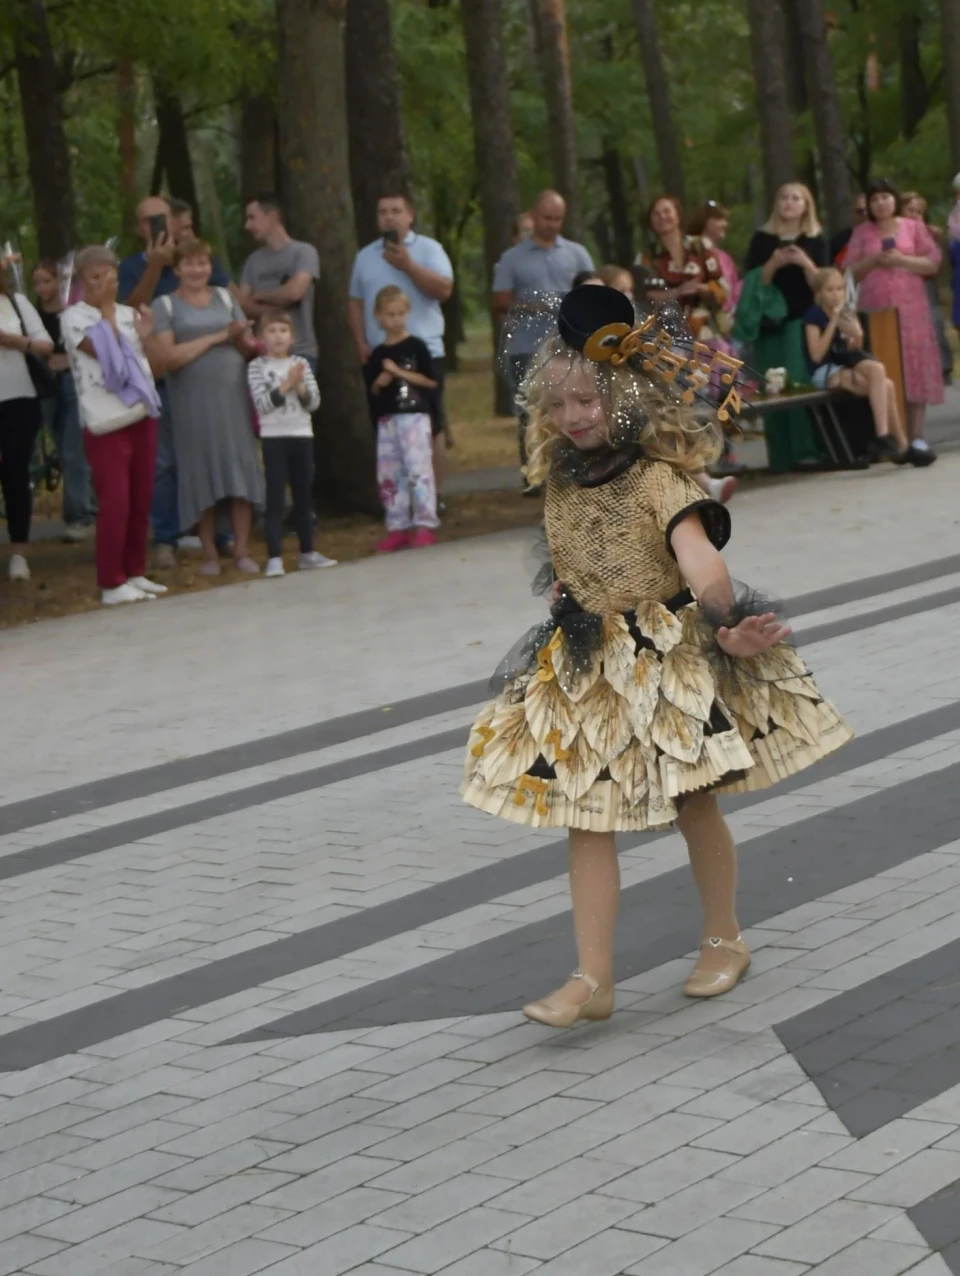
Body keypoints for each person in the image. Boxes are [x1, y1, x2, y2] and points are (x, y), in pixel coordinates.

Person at [462, 284, 852, 1024]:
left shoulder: (657, 479)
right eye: (559, 403)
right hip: (589, 665)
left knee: (691, 800)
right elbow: (576, 559)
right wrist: (564, 598)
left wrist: (729, 620)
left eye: (589, 400)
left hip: (662, 657)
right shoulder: (562, 481)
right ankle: (593, 978)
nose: (574, 416)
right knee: (585, 814)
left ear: (626, 395)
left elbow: (698, 558)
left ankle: (724, 938)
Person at [119, 197, 232, 570]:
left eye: (162, 218)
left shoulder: (195, 260)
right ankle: (166, 537)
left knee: (210, 452)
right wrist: (154, 268)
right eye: (148, 220)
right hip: (160, 376)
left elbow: (226, 298)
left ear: (174, 219)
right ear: (139, 228)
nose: (156, 224)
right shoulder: (132, 266)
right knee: (164, 461)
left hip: (204, 375)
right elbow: (129, 310)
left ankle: (221, 534)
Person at [147, 238, 265, 575]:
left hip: (232, 400)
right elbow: (168, 359)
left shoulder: (227, 298)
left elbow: (247, 350)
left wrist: (242, 338)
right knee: (200, 473)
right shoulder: (165, 306)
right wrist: (217, 337)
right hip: (191, 403)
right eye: (189, 264)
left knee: (238, 469)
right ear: (177, 269)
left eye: (203, 263)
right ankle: (210, 552)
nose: (197, 270)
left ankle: (242, 549)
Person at [61, 246, 167, 605]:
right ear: (81, 282)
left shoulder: (126, 313)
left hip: (140, 413)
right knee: (116, 501)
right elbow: (108, 358)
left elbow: (147, 360)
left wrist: (147, 334)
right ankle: (111, 580)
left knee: (140, 497)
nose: (105, 283)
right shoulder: (75, 317)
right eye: (95, 277)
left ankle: (134, 571)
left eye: (110, 276)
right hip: (105, 421)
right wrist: (106, 311)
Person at [348, 192, 454, 486]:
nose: (389, 217)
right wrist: (360, 341)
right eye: (383, 211)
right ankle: (397, 494)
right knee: (386, 422)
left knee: (430, 424)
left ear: (410, 215)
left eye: (396, 210)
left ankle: (434, 495)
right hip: (380, 354)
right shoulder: (365, 256)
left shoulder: (429, 249)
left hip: (423, 350)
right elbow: (355, 302)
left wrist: (408, 266)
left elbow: (445, 290)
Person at [492, 190, 594, 475]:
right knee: (531, 409)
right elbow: (499, 299)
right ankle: (533, 470)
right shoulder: (512, 258)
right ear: (533, 216)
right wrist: (529, 304)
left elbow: (595, 288)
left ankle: (573, 464)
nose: (552, 224)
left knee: (572, 404)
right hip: (526, 346)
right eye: (547, 218)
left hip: (570, 343)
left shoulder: (576, 253)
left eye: (558, 219)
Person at [847, 178, 943, 462]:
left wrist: (903, 260)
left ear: (895, 200)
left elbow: (933, 261)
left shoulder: (913, 227)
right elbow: (849, 271)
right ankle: (892, 437)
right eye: (875, 199)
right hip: (877, 310)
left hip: (912, 308)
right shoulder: (862, 233)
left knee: (915, 368)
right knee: (885, 367)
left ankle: (917, 436)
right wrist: (874, 260)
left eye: (886, 197)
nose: (881, 204)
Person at [737, 183, 829, 472]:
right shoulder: (762, 240)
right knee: (771, 385)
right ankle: (779, 456)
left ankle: (805, 451)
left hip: (800, 319)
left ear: (806, 205)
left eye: (796, 198)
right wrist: (773, 264)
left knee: (797, 382)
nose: (789, 203)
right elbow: (753, 285)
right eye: (784, 198)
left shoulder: (815, 239)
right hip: (768, 322)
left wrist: (805, 263)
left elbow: (823, 284)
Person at [247, 309, 337, 578]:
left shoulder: (302, 365)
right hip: (274, 438)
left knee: (303, 495)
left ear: (292, 336)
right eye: (272, 331)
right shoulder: (257, 367)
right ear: (262, 337)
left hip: (301, 434)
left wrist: (299, 387)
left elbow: (314, 403)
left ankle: (307, 552)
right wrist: (286, 385)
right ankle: (274, 557)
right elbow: (262, 404)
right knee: (275, 496)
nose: (278, 337)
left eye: (283, 331)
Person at [803, 267, 909, 461]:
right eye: (830, 290)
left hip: (845, 365)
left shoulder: (847, 312)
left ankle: (891, 440)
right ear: (819, 293)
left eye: (839, 289)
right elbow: (817, 355)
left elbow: (853, 351)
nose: (836, 294)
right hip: (824, 370)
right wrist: (834, 320)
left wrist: (857, 335)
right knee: (885, 386)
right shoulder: (814, 315)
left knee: (880, 373)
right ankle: (895, 442)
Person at [364, 285, 439, 552]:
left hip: (414, 417)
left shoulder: (416, 347)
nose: (395, 320)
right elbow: (371, 389)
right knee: (390, 473)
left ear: (408, 313)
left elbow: (430, 381)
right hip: (388, 419)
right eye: (389, 315)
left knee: (418, 469)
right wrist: (380, 382)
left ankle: (424, 523)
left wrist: (399, 373)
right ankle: (397, 525)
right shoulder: (377, 354)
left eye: (400, 314)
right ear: (378, 317)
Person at [32, 260, 95, 541]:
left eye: (47, 281)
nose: (43, 288)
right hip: (46, 384)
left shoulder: (73, 313)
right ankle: (88, 505)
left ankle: (80, 515)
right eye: (38, 283)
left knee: (74, 450)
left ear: (60, 281)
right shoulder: (32, 315)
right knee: (61, 447)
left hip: (73, 381)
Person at [0, 257, 54, 580]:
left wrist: (19, 342)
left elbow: (46, 346)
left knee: (15, 474)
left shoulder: (16, 303)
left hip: (19, 400)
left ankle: (19, 553)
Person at [239, 193, 320, 373]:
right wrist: (280, 307)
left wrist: (259, 296)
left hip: (300, 353)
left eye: (253, 218)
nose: (247, 226)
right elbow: (242, 305)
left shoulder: (304, 252)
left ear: (273, 215)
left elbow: (295, 292)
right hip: (263, 356)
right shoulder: (252, 261)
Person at [638, 196, 727, 337]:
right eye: (656, 213)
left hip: (707, 331)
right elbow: (646, 296)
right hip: (668, 335)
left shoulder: (700, 246)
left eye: (667, 211)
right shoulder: (647, 256)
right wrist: (679, 291)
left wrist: (700, 288)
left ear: (678, 215)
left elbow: (721, 287)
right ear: (651, 222)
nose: (662, 216)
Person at [902, 191, 953, 385]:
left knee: (934, 321)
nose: (914, 215)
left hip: (924, 282)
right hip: (903, 284)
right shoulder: (895, 232)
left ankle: (944, 367)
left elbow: (935, 261)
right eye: (910, 210)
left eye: (919, 212)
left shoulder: (927, 233)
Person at [687, 200, 741, 318]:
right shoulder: (689, 251)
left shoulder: (725, 258)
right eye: (719, 219)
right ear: (705, 221)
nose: (725, 224)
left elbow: (734, 290)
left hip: (726, 323)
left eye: (725, 220)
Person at [830, 193, 868, 267]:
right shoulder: (838, 240)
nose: (865, 214)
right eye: (860, 211)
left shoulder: (885, 235)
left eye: (869, 210)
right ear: (851, 213)